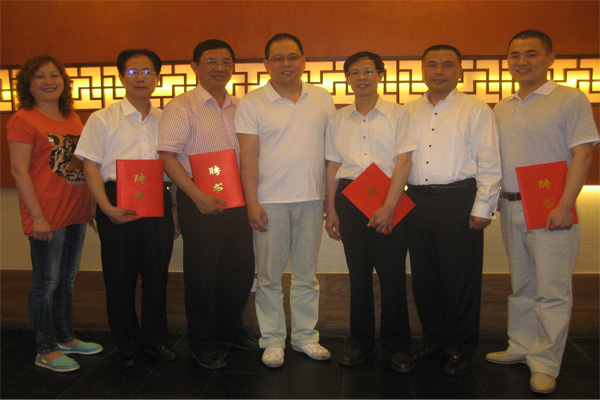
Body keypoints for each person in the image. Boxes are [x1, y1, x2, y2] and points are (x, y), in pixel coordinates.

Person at [485, 30, 598, 394]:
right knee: (522, 285)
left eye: (531, 54)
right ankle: (521, 346)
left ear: (550, 58)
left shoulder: (569, 98)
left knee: (552, 289)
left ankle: (546, 362)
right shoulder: (502, 106)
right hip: (511, 204)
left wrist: (565, 204)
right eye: (515, 55)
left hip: (551, 207)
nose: (522, 62)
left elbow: (583, 154)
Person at [75, 49, 179, 368]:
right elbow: (90, 167)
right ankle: (127, 344)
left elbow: (174, 167)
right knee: (119, 278)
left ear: (158, 78)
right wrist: (106, 207)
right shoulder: (102, 118)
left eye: (147, 72)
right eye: (133, 72)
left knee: (157, 276)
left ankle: (156, 339)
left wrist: (174, 212)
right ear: (122, 78)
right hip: (116, 198)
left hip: (158, 199)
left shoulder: (167, 118)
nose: (141, 78)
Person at [236, 33, 335, 368]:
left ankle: (306, 336)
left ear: (304, 60)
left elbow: (331, 154)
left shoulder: (321, 98)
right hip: (269, 202)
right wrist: (252, 202)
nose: (286, 63)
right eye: (278, 58)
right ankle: (273, 340)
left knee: (306, 275)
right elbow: (248, 157)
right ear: (266, 64)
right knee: (268, 277)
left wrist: (329, 200)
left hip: (311, 199)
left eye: (292, 57)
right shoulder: (252, 102)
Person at [158, 39, 258, 370]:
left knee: (239, 270)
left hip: (238, 200)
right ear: (195, 67)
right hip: (198, 200)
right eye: (211, 61)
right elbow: (167, 156)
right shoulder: (181, 106)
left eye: (226, 62)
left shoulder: (242, 106)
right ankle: (202, 343)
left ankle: (230, 331)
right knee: (202, 274)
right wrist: (196, 195)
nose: (219, 68)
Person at [404, 44, 501, 376]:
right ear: (422, 70)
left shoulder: (475, 109)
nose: (439, 71)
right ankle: (434, 339)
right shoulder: (407, 110)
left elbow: (489, 161)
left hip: (459, 199)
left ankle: (460, 346)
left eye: (447, 65)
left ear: (459, 71)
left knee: (460, 279)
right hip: (416, 201)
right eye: (432, 65)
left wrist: (484, 206)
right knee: (425, 277)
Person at [7, 55, 103, 373]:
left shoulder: (72, 117)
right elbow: (19, 171)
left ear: (64, 81)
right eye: (40, 76)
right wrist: (37, 216)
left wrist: (91, 203)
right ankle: (45, 348)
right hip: (46, 214)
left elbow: (84, 163)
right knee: (46, 282)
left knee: (67, 279)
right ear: (28, 83)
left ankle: (65, 337)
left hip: (75, 210)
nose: (49, 81)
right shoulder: (23, 119)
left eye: (54, 75)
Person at [324, 51, 416, 372]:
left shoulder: (399, 114)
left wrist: (389, 205)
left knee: (392, 276)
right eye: (354, 72)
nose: (361, 78)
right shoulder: (337, 119)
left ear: (380, 75)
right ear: (347, 79)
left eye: (368, 71)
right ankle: (360, 343)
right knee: (358, 275)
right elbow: (333, 165)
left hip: (390, 197)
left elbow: (404, 160)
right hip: (350, 200)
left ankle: (398, 346)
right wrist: (331, 209)